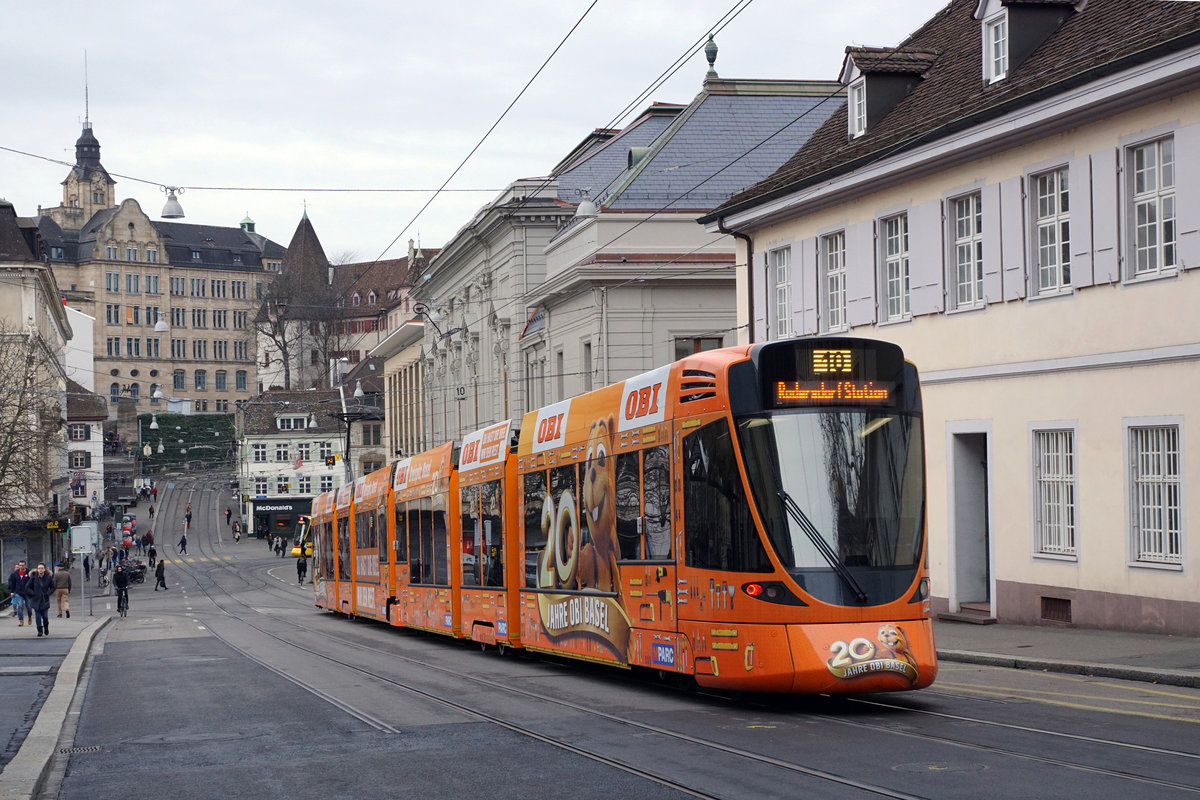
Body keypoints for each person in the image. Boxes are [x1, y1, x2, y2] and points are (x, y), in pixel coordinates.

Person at [23, 563, 55, 637]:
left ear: (44, 569)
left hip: (45, 600)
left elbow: (53, 587)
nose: (40, 570)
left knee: (45, 617)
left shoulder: (48, 578)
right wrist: (33, 593)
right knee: (37, 616)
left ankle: (46, 627)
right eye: (39, 568)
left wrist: (48, 593)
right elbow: (27, 587)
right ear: (37, 569)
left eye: (42, 568)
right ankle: (39, 630)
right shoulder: (33, 578)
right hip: (36, 600)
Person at [7, 561, 29, 627]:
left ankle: (29, 616)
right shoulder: (14, 574)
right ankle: (21, 620)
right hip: (18, 592)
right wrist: (12, 591)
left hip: (27, 593)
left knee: (29, 607)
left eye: (23, 565)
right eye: (20, 565)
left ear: (25, 566)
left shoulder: (29, 572)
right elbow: (12, 583)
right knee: (20, 606)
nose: (21, 567)